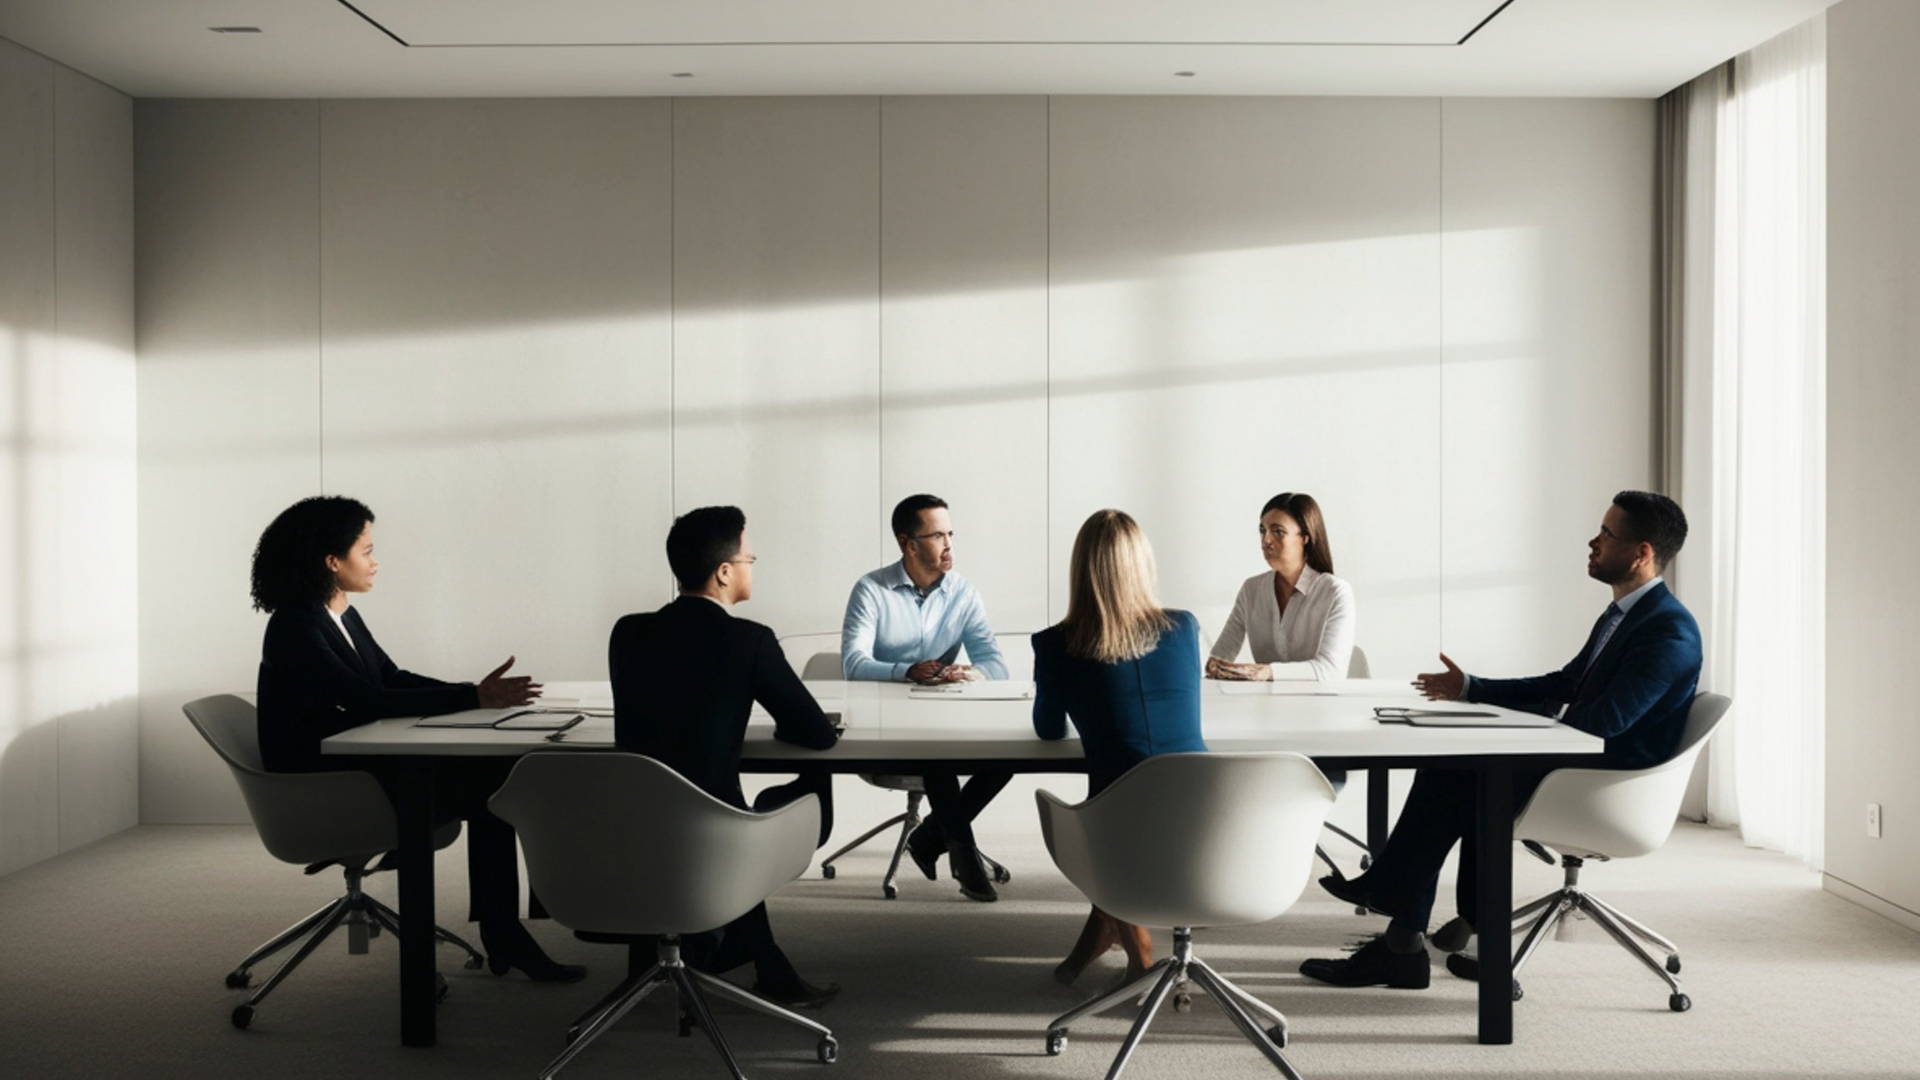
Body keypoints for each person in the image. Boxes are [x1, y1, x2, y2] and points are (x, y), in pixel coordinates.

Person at [1298, 491, 1702, 990]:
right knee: (1454, 769)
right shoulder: (1624, 615)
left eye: (1607, 534)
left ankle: (1414, 928)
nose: (1593, 542)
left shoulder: (1669, 631)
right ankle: (1422, 935)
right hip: (1579, 765)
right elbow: (1565, 685)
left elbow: (1604, 724)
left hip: (1605, 784)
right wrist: (1471, 689)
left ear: (1641, 553)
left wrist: (1507, 728)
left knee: (1468, 777)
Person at [252, 495, 584, 983]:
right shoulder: (297, 626)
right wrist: (474, 696)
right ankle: (502, 934)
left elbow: (390, 677)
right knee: (494, 792)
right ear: (332, 561)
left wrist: (475, 694)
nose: (375, 561)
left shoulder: (337, 612)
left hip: (356, 768)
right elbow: (366, 700)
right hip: (322, 787)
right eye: (366, 551)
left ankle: (505, 932)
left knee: (497, 783)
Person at [609, 505, 842, 1009]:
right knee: (789, 788)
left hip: (626, 832)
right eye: (749, 558)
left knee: (722, 801)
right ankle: (745, 953)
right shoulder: (747, 639)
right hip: (714, 839)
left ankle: (754, 957)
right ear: (723, 572)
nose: (752, 566)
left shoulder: (627, 632)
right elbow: (817, 734)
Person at [1033, 509, 1208, 988]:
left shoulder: (1056, 645)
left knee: (1110, 811)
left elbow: (1048, 729)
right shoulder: (1184, 628)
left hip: (1119, 838)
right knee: (1128, 803)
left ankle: (1140, 957)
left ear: (1081, 571)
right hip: (1209, 822)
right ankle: (1103, 930)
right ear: (1143, 565)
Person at [841, 493, 1013, 902]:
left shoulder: (963, 593)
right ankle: (963, 855)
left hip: (944, 720)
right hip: (885, 730)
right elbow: (853, 664)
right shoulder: (871, 590)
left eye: (951, 533)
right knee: (937, 758)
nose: (950, 544)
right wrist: (905, 671)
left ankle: (931, 836)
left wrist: (970, 673)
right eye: (938, 535)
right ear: (908, 543)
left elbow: (997, 665)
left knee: (1007, 757)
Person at [1207, 491, 1355, 682]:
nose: (1266, 540)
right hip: (1266, 705)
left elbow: (1330, 670)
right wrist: (1215, 666)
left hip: (1319, 707)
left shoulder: (1335, 592)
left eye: (1278, 532)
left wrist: (1268, 672)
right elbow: (1220, 656)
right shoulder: (1251, 590)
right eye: (1263, 530)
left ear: (1305, 537)